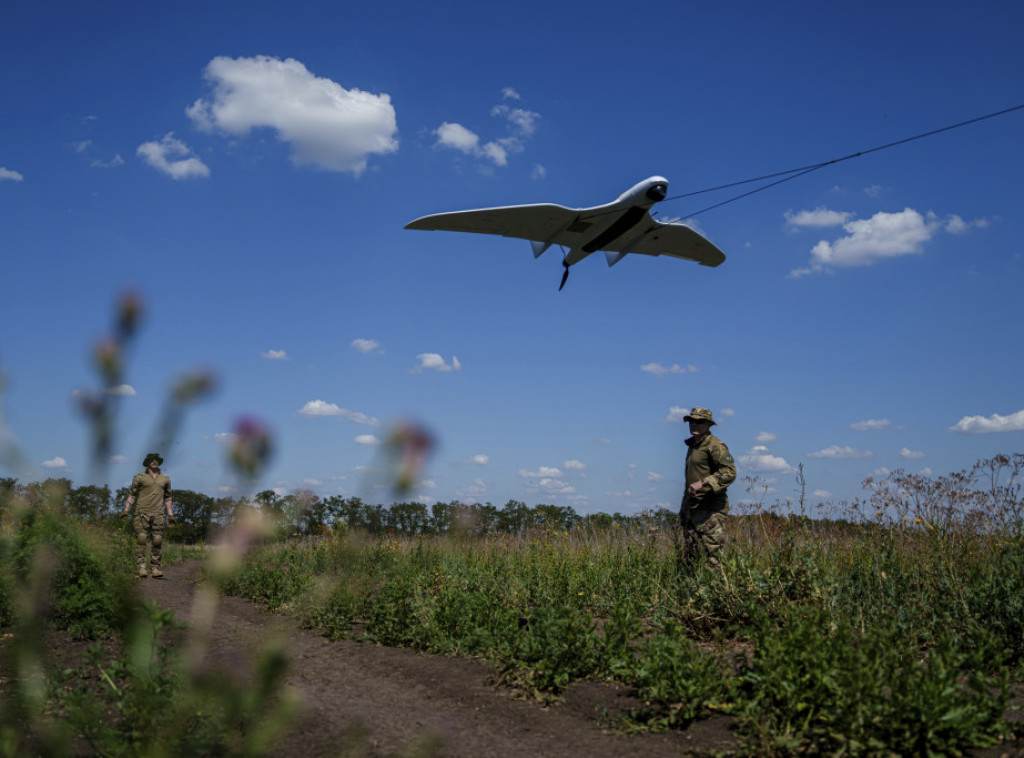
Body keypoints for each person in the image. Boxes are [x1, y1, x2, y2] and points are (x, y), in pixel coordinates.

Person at [679, 407, 736, 568]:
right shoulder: (694, 446)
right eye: (691, 421)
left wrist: (704, 482)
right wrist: (684, 507)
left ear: (708, 425)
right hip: (693, 510)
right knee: (692, 557)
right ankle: (694, 591)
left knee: (713, 558)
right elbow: (691, 480)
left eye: (699, 421)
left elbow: (729, 472)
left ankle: (719, 592)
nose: (694, 424)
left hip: (710, 511)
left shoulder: (715, 445)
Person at [121, 452, 175, 578]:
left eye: (156, 459)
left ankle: (155, 568)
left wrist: (171, 515)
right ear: (147, 462)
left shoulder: (165, 478)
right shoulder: (139, 477)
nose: (154, 461)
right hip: (141, 513)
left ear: (159, 462)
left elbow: (168, 498)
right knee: (141, 539)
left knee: (157, 540)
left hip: (158, 514)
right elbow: (132, 494)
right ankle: (141, 567)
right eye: (151, 459)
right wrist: (126, 511)